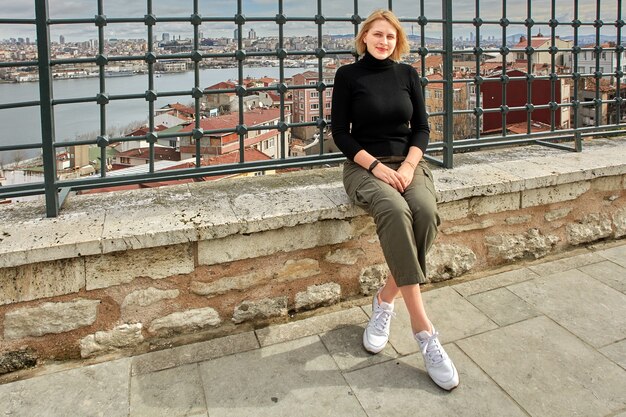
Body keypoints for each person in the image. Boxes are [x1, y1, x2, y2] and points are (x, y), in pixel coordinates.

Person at [331, 9, 459, 391]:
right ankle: (423, 329)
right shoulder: (348, 76)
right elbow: (340, 133)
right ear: (364, 37)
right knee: (394, 209)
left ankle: (385, 299)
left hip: (408, 163)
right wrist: (376, 167)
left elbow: (421, 128)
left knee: (424, 210)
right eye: (377, 34)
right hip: (364, 167)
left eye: (390, 36)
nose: (383, 41)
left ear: (397, 40)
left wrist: (407, 166)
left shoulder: (407, 75)